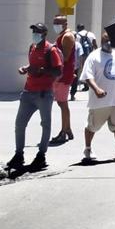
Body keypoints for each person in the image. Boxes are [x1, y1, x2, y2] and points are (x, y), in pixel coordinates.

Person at [7, 23, 63, 171]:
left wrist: (41, 70)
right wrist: (26, 68)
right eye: (33, 32)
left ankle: (41, 155)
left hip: (44, 93)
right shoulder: (32, 47)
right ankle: (19, 154)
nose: (34, 34)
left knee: (45, 125)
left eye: (37, 32)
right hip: (28, 91)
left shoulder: (51, 50)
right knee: (19, 124)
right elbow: (32, 64)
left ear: (44, 34)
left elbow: (58, 72)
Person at [80, 31, 115, 164]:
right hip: (99, 101)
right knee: (92, 126)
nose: (108, 43)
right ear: (101, 41)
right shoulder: (93, 56)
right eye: (105, 40)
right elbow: (87, 76)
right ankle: (88, 149)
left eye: (110, 40)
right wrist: (96, 89)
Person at [49, 16, 77, 145]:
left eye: (58, 23)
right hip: (62, 74)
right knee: (62, 103)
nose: (55, 25)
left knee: (62, 103)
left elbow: (64, 57)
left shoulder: (67, 37)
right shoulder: (63, 35)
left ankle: (64, 131)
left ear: (65, 24)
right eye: (54, 23)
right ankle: (68, 129)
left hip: (63, 75)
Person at [72, 24, 97, 99]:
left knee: (81, 70)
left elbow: (76, 46)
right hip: (90, 54)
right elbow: (95, 44)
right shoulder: (91, 34)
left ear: (78, 28)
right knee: (90, 70)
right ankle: (88, 85)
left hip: (82, 55)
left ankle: (85, 85)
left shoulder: (77, 35)